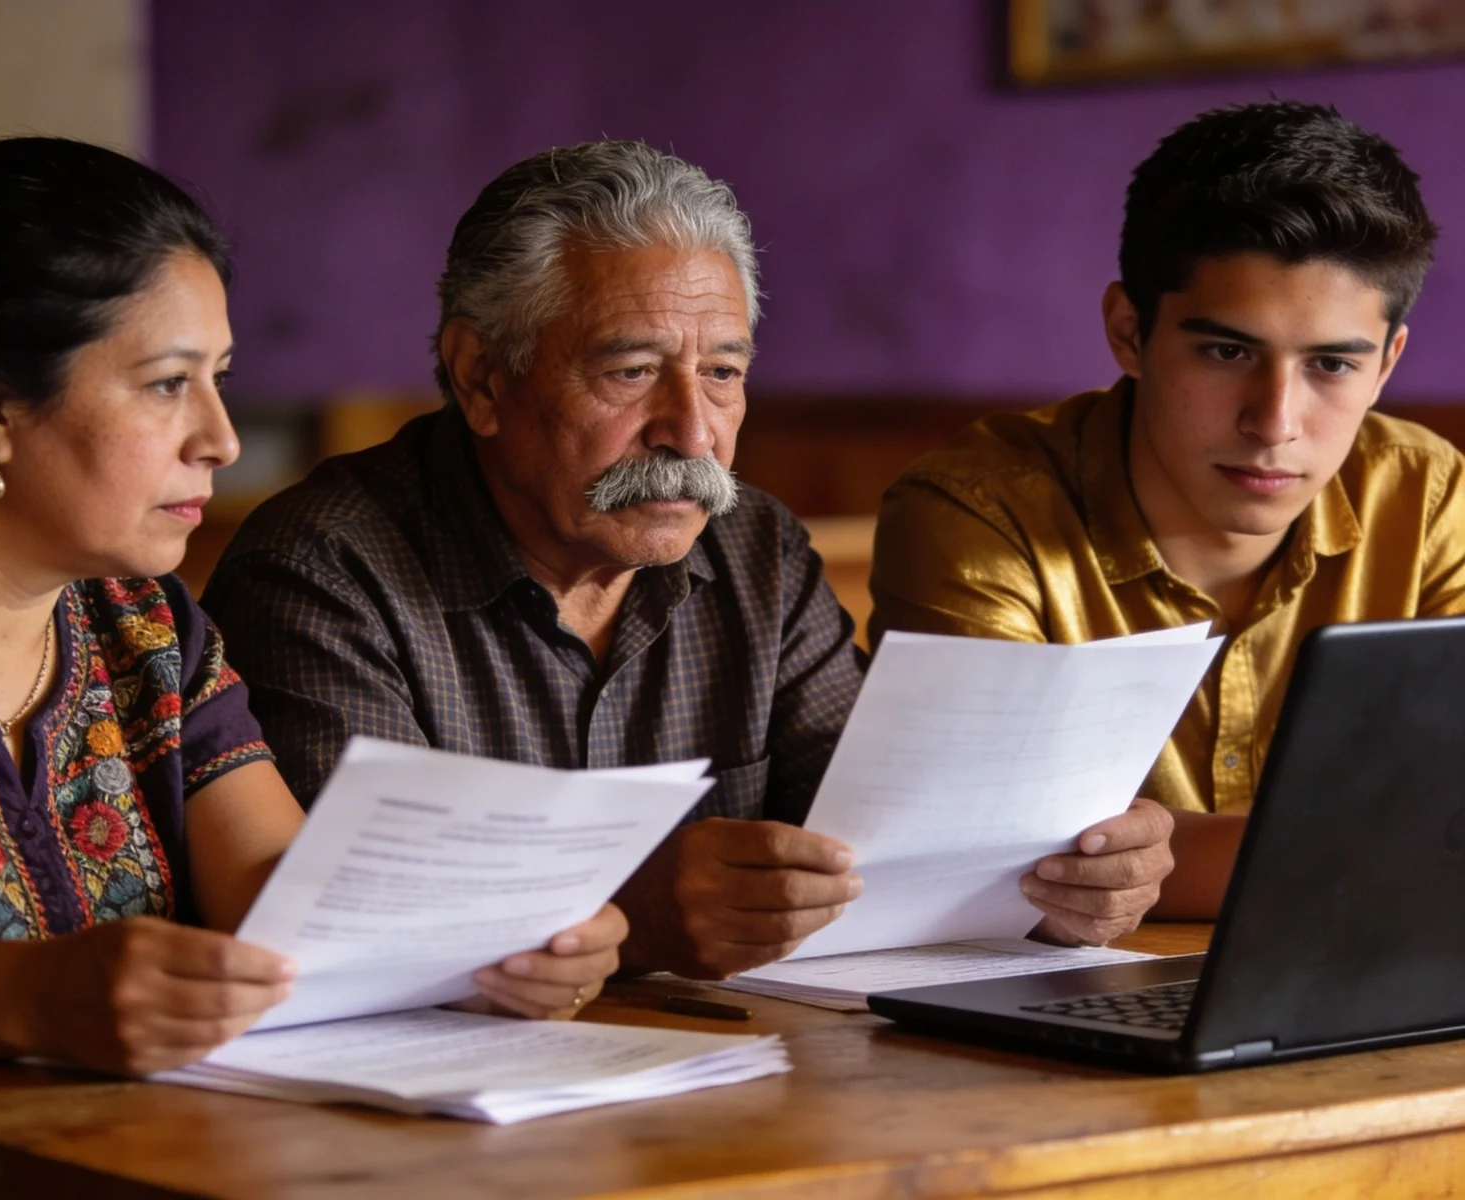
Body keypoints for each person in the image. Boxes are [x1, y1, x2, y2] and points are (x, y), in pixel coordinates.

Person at [203, 140, 1174, 976]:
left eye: (722, 372)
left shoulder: (753, 549)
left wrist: (1046, 879)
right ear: (479, 375)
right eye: (629, 372)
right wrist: (639, 916)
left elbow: (870, 835)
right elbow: (355, 920)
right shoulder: (323, 571)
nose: (693, 431)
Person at [0, 138, 626, 1077]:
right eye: (166, 385)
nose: (220, 440)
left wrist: (496, 942)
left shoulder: (144, 631)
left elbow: (287, 895)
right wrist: (24, 996)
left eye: (219, 379)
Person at [870, 101, 1465, 921]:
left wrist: (1156, 852)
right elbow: (987, 857)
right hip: (1069, 1006)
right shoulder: (978, 515)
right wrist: (1382, 847)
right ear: (1128, 330)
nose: (1274, 422)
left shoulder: (1431, 497)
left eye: (1331, 364)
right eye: (1227, 352)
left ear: (1388, 363)